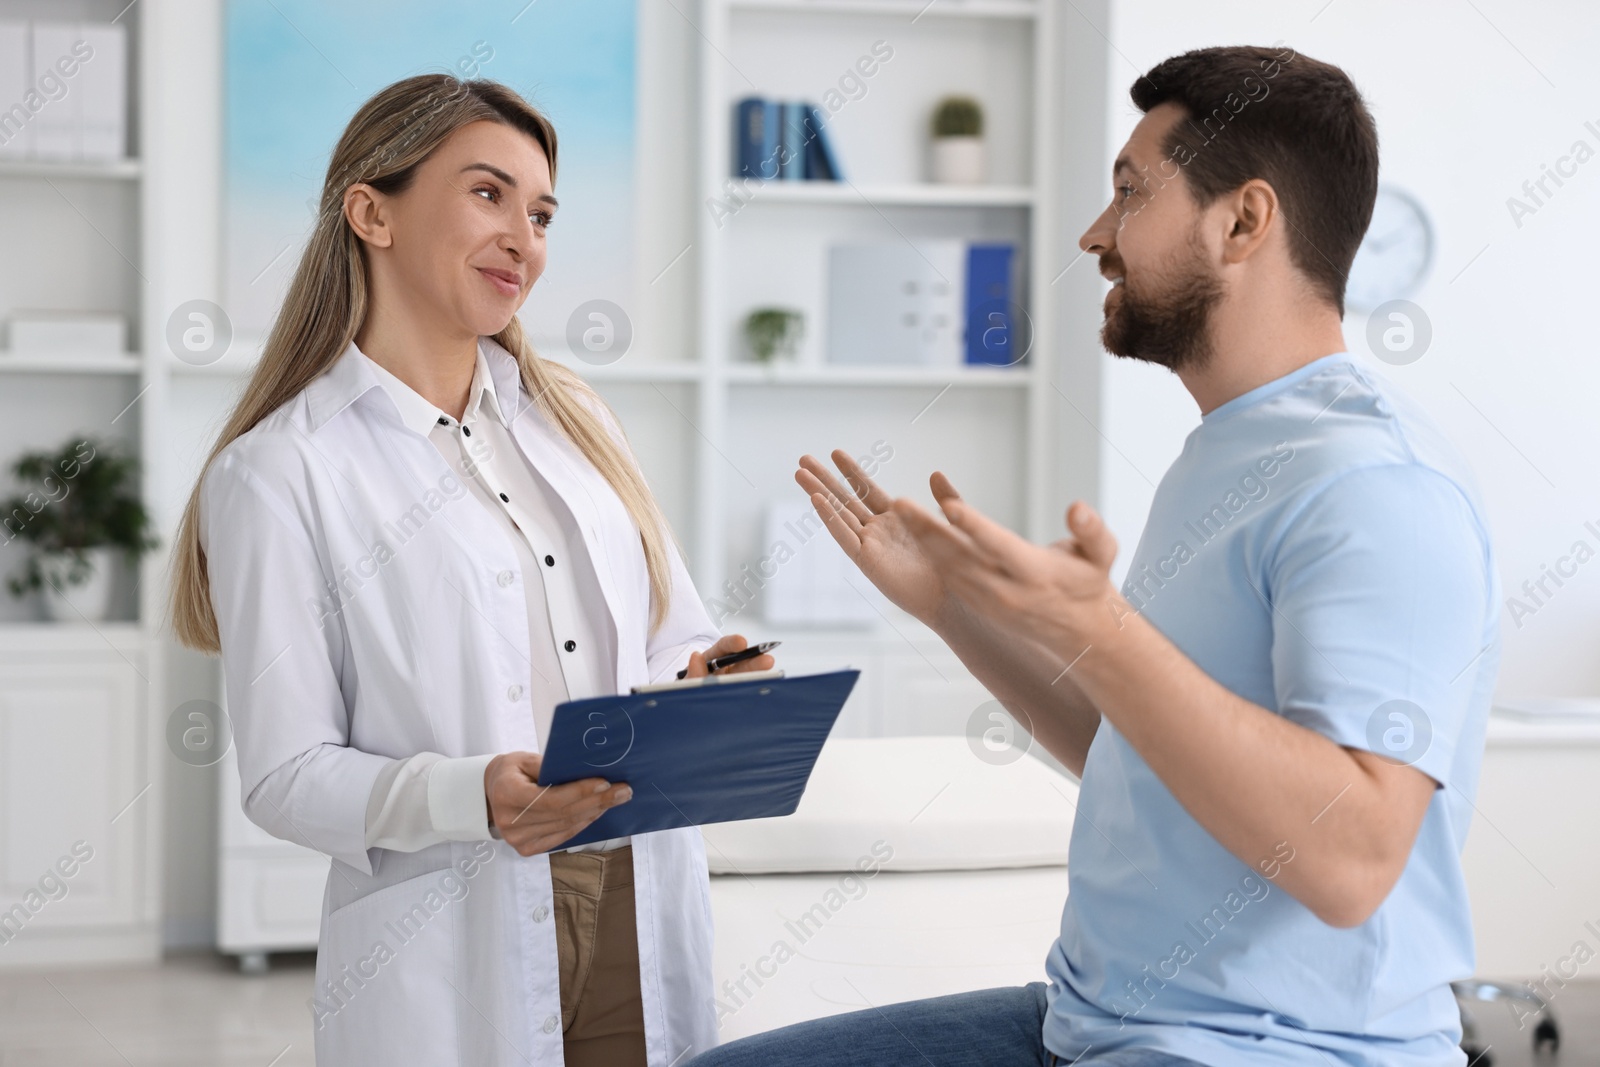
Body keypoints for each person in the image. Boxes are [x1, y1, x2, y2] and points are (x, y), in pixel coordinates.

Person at [689, 44, 1499, 1067]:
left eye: (1128, 195)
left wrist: (1105, 632)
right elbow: (1141, 749)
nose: (1094, 236)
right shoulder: (1232, 448)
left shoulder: (1376, 486)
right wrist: (952, 605)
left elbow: (1349, 861)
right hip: (1088, 1023)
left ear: (1242, 221)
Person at [167, 75, 772, 1067]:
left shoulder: (578, 422)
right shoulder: (281, 470)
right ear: (372, 212)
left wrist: (710, 673)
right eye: (488, 194)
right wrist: (469, 794)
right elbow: (284, 775)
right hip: (453, 930)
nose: (524, 239)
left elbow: (671, 636)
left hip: (639, 888)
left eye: (540, 213)